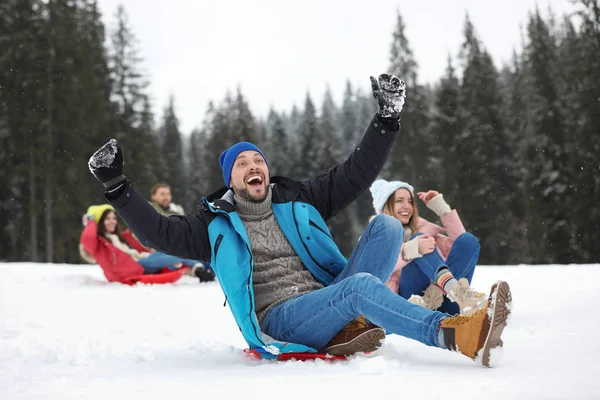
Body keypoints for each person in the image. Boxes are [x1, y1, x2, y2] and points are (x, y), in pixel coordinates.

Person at [87, 73, 511, 367]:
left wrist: (386, 121)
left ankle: (352, 323)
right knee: (361, 288)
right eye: (243, 164)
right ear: (231, 180)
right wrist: (117, 187)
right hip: (281, 317)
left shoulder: (297, 199)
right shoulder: (211, 225)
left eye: (259, 160)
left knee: (384, 226)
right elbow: (157, 232)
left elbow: (353, 174)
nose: (254, 166)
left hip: (327, 295)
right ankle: (455, 334)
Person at [369, 180, 487, 316]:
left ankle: (443, 295)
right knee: (419, 240)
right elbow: (377, 268)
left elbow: (461, 251)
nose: (407, 206)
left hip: (445, 300)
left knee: (468, 240)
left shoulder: (423, 228)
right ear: (386, 206)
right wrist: (411, 249)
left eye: (410, 201)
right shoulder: (374, 237)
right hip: (410, 304)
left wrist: (443, 210)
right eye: (399, 201)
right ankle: (443, 293)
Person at [79, 204, 203, 282]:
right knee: (175, 253)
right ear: (99, 222)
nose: (112, 221)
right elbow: (87, 238)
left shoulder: (119, 237)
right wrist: (91, 220)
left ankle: (200, 266)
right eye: (107, 219)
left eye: (113, 218)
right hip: (133, 268)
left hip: (140, 262)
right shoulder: (100, 244)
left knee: (169, 249)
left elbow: (137, 249)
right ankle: (198, 268)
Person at [149, 182, 216, 282]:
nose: (166, 197)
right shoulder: (149, 213)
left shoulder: (176, 212)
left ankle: (212, 268)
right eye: (162, 194)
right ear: (153, 196)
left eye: (168, 194)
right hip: (157, 249)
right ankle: (199, 269)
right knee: (179, 253)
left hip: (177, 247)